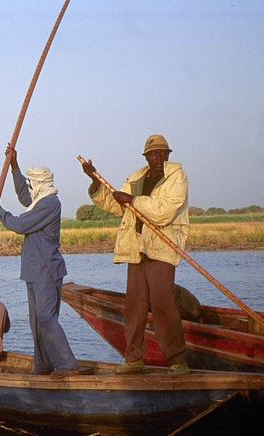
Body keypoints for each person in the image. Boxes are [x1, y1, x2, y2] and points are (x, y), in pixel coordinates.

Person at [81, 134, 190, 375]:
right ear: (147, 157)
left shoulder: (176, 177)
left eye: (162, 153)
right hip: (136, 248)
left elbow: (165, 212)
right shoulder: (136, 178)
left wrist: (133, 200)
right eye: (153, 154)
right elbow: (115, 205)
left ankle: (177, 361)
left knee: (163, 304)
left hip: (161, 248)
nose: (158, 158)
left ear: (168, 155)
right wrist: (94, 180)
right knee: (135, 306)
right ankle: (133, 359)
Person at [0, 147, 87, 378]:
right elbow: (25, 195)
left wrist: (0, 212)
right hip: (33, 271)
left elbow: (20, 225)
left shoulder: (50, 203)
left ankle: (67, 365)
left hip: (46, 270)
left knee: (46, 318)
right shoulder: (39, 200)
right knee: (35, 322)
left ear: (40, 184)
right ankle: (43, 365)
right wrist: (15, 166)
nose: (30, 187)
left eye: (33, 183)